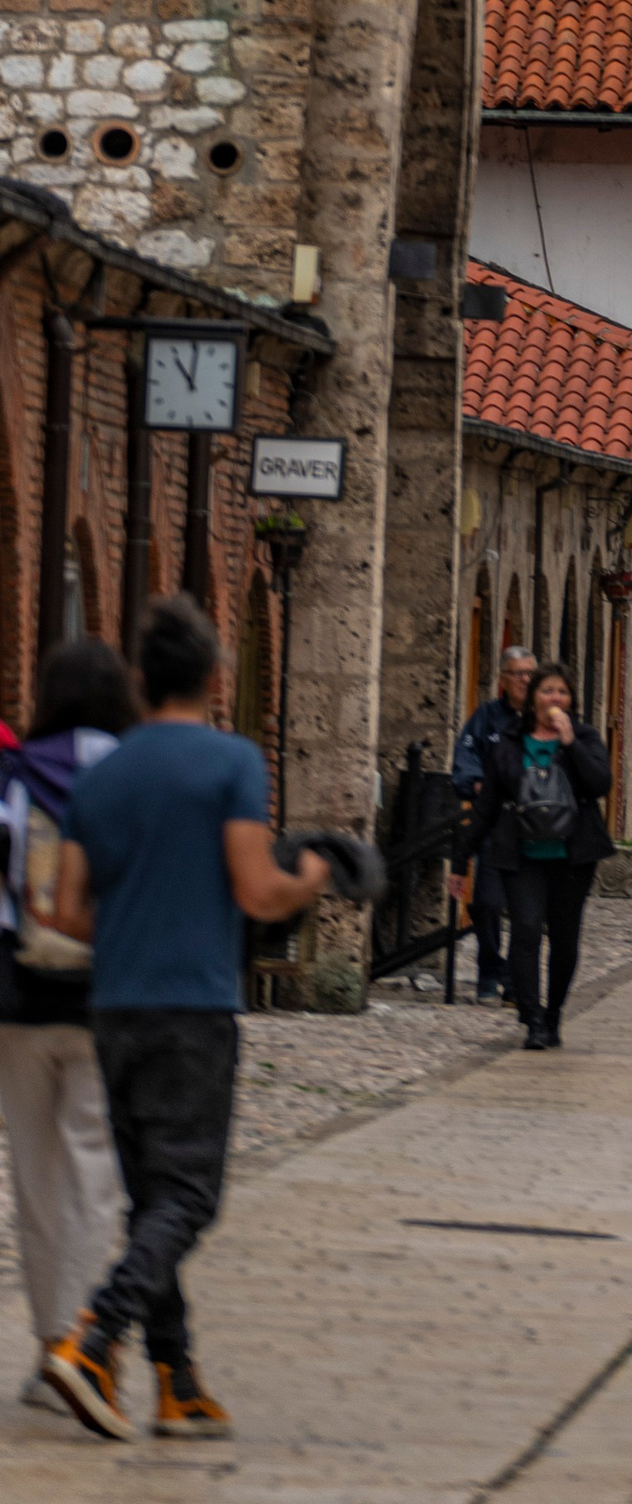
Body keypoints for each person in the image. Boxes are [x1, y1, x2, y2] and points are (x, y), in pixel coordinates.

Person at [40, 594, 328, 1443]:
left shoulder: (102, 772)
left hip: (115, 1004)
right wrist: (310, 875)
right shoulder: (230, 761)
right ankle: (95, 1338)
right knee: (190, 1195)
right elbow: (255, 887)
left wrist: (131, 921)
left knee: (150, 1197)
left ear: (139, 679)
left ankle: (178, 1378)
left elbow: (61, 906)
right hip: (192, 1003)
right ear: (213, 677)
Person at [0, 637, 135, 1412]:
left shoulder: (17, 773)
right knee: (95, 1169)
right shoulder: (135, 775)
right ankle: (89, 1347)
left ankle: (51, 1338)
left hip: (20, 997)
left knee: (34, 1172)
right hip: (108, 995)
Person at [479, 661, 613, 1052]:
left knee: (565, 940)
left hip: (572, 856)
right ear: (532, 697)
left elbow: (600, 784)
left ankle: (554, 1013)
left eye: (562, 692)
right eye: (547, 691)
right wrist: (461, 858)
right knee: (524, 931)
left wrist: (570, 743)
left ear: (571, 700)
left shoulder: (585, 736)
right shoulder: (511, 740)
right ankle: (533, 1019)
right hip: (523, 855)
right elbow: (488, 802)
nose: (555, 698)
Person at [450, 644, 535, 1003]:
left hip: (533, 826)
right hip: (494, 823)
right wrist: (479, 782)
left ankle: (516, 982)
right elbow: (465, 761)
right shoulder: (486, 717)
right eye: (519, 674)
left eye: (531, 674)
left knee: (526, 912)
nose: (526, 681)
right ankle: (489, 971)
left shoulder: (543, 719)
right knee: (487, 902)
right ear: (503, 679)